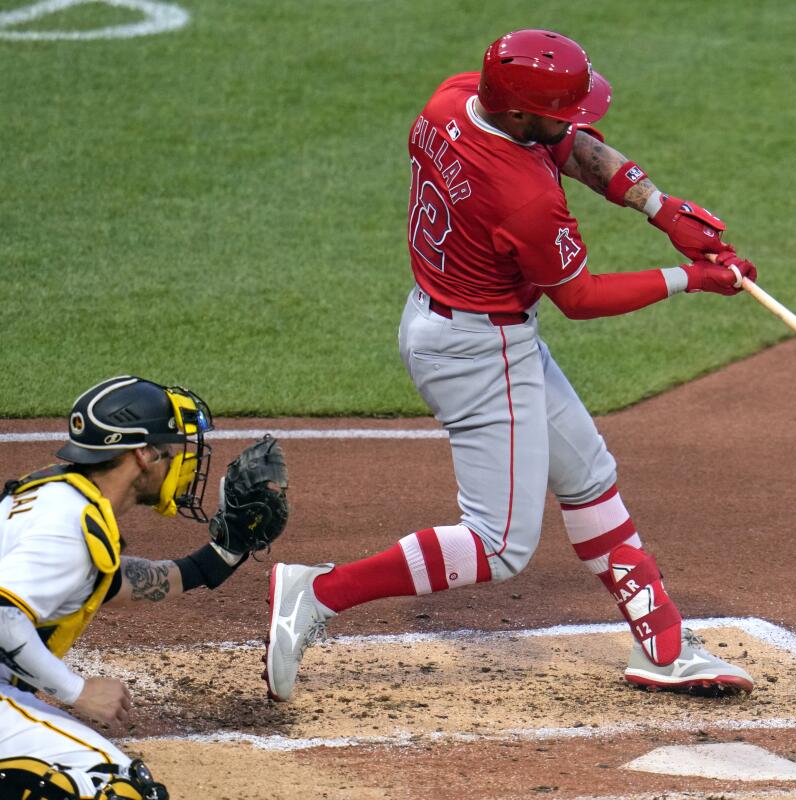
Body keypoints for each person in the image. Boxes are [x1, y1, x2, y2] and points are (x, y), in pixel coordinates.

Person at [264, 28, 757, 702]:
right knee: (498, 546)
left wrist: (660, 207)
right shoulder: (522, 196)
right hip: (479, 350)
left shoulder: (456, 97)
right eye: (563, 109)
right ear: (521, 113)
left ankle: (666, 645)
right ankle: (316, 592)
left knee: (586, 473)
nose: (578, 121)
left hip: (455, 321)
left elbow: (568, 145)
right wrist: (690, 279)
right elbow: (580, 299)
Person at [0, 376, 288, 800]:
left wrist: (217, 557)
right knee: (115, 789)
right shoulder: (69, 527)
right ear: (142, 455)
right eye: (171, 451)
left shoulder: (54, 495)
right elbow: (4, 616)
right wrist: (78, 691)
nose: (181, 463)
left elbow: (110, 582)